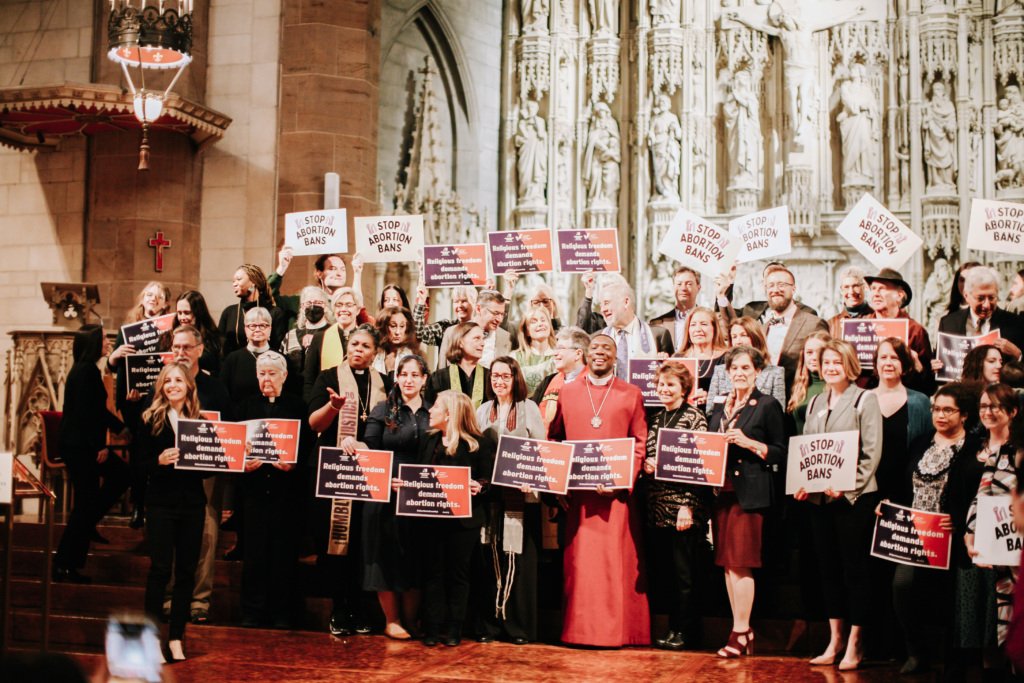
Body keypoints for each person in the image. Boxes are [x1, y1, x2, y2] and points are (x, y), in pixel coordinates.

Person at [547, 333, 649, 647]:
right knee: (580, 568)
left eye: (607, 347)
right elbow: (554, 440)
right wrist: (558, 483)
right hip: (579, 499)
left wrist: (622, 480)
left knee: (614, 567)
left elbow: (640, 445)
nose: (601, 352)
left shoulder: (631, 393)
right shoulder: (567, 391)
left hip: (615, 499)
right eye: (595, 348)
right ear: (586, 354)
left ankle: (618, 632)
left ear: (616, 355)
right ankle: (579, 631)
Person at [884, 383, 983, 674]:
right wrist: (890, 505)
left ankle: (954, 661)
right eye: (936, 409)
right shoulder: (921, 441)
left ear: (963, 414)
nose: (940, 415)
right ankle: (916, 651)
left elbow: (978, 493)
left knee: (952, 599)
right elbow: (903, 483)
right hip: (915, 533)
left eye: (948, 410)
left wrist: (961, 517)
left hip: (952, 537)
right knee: (901, 587)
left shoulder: (973, 448)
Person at [798, 339, 883, 671]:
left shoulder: (865, 399)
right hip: (819, 501)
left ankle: (856, 642)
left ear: (849, 365)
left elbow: (871, 454)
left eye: (837, 362)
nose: (831, 367)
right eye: (826, 362)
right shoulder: (816, 399)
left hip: (853, 501)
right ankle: (834, 640)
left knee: (854, 572)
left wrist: (847, 487)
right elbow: (809, 448)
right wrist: (803, 482)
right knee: (828, 570)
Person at [308, 325, 391, 637]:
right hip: (335, 474)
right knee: (335, 543)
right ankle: (339, 608)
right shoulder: (329, 377)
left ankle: (359, 608)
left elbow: (391, 426)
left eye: (366, 346)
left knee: (362, 543)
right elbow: (314, 423)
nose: (359, 349)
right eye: (354, 344)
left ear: (374, 353)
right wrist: (334, 407)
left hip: (368, 473)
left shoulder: (384, 383)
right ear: (347, 347)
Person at [707, 346, 787, 658]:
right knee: (728, 565)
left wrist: (749, 443)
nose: (739, 373)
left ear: (757, 371)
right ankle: (742, 629)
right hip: (721, 492)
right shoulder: (719, 405)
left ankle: (740, 632)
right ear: (727, 373)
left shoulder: (767, 405)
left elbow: (780, 451)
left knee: (741, 563)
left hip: (750, 495)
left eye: (745, 368)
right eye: (734, 369)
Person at [411, 390, 496, 647]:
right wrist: (405, 485)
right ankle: (433, 628)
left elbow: (489, 481)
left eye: (436, 406)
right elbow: (420, 474)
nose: (430, 410)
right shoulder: (429, 441)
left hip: (463, 522)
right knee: (433, 572)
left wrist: (478, 486)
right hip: (431, 520)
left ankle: (455, 628)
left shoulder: (478, 444)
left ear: (449, 413)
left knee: (459, 575)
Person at [356, 354, 432, 640]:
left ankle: (412, 620)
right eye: (404, 374)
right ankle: (392, 620)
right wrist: (354, 443)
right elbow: (371, 446)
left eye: (415, 375)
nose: (409, 380)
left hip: (418, 495)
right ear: (396, 377)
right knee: (384, 556)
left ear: (424, 379)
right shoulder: (382, 409)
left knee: (415, 556)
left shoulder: (432, 411)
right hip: (385, 491)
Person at [137, 363, 207, 662]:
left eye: (179, 380)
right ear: (161, 387)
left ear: (189, 386)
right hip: (161, 504)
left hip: (192, 504)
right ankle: (151, 639)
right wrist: (158, 461)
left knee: (186, 573)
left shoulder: (201, 420)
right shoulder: (149, 418)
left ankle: (177, 637)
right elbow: (137, 466)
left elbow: (208, 468)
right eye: (168, 381)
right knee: (160, 571)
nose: (173, 385)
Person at [475, 356, 546, 645]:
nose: (499, 381)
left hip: (520, 496)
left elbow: (541, 449)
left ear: (515, 378)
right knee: (489, 558)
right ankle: (489, 625)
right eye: (495, 376)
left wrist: (533, 478)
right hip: (490, 497)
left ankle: (518, 627)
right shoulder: (482, 410)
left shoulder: (528, 408)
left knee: (517, 558)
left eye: (505, 375)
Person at [237, 351, 310, 628]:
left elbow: (305, 448)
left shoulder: (297, 407)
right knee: (254, 554)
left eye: (272, 373)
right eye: (262, 373)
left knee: (283, 554)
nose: (266, 379)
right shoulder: (244, 407)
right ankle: (252, 612)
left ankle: (283, 612)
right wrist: (243, 463)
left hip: (286, 493)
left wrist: (293, 465)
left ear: (284, 376)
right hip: (254, 492)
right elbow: (234, 447)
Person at [164, 325, 232, 626]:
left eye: (186, 348)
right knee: (171, 538)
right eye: (176, 348)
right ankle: (169, 598)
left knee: (206, 536)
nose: (181, 353)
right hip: (169, 475)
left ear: (200, 350)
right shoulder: (164, 384)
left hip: (205, 476)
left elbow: (229, 433)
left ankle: (199, 601)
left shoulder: (214, 388)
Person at [641, 362, 711, 651]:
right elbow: (647, 453)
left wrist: (688, 506)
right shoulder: (656, 418)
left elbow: (699, 466)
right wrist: (645, 463)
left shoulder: (695, 418)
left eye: (670, 384)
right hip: (656, 509)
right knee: (667, 575)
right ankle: (673, 629)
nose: (664, 389)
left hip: (683, 509)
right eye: (660, 384)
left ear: (684, 388)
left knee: (686, 576)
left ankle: (687, 632)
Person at [53, 325, 130, 583]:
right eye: (104, 339)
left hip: (78, 443)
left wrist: (122, 427)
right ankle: (64, 564)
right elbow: (86, 416)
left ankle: (87, 525)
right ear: (93, 344)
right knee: (91, 499)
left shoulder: (86, 370)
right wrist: (99, 446)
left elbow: (95, 410)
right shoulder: (85, 372)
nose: (108, 343)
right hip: (80, 445)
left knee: (111, 483)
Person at [108, 281, 172, 529]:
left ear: (166, 303)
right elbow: (112, 365)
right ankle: (138, 506)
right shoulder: (129, 329)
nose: (153, 298)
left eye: (158, 296)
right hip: (133, 400)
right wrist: (115, 354)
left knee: (161, 448)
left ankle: (157, 503)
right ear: (142, 298)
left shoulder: (169, 329)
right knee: (139, 453)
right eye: (149, 294)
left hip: (161, 398)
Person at [964, 383, 1021, 652]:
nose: (988, 411)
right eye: (984, 406)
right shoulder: (992, 453)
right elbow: (980, 498)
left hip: (1017, 550)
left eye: (995, 406)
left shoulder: (1019, 450)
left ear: (1013, 412)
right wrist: (970, 533)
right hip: (997, 554)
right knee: (1006, 622)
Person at [721, 264, 828, 387]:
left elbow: (824, 364)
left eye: (781, 285)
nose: (775, 290)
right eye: (770, 285)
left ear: (793, 288)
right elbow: (731, 326)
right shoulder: (762, 328)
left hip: (799, 397)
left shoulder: (814, 324)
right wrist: (722, 295)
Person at [870, 338, 934, 501]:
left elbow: (927, 451)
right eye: (883, 357)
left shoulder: (920, 402)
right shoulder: (862, 400)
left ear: (904, 365)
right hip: (867, 490)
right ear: (876, 364)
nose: (888, 363)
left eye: (895, 358)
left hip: (905, 492)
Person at [864, 268, 935, 394]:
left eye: (882, 288)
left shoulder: (915, 331)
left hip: (905, 401)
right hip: (868, 401)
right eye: (873, 289)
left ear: (899, 295)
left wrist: (918, 367)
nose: (875, 293)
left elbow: (929, 385)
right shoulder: (860, 326)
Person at [938, 266, 1024, 358]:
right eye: (980, 298)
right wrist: (934, 365)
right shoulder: (948, 324)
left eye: (991, 298)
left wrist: (1018, 355)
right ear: (966, 296)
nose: (986, 305)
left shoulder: (1016, 324)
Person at [598, 279, 674, 378]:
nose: (602, 309)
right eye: (601, 305)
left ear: (626, 302)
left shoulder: (658, 335)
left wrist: (665, 364)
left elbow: (672, 375)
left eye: (606, 303)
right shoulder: (598, 338)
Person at [707, 316, 786, 410]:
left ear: (756, 337)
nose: (738, 341)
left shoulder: (775, 373)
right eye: (734, 337)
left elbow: (778, 413)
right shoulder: (720, 371)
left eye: (743, 335)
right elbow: (710, 411)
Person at [303, 287, 364, 402]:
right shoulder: (320, 338)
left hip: (358, 402)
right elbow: (309, 380)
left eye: (349, 305)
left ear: (358, 309)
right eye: (339, 305)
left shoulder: (365, 339)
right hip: (326, 403)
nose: (343, 309)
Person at [218, 264, 287, 356]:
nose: (234, 284)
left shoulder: (274, 312)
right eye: (233, 281)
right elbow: (220, 348)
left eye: (239, 279)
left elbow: (277, 348)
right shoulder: (229, 312)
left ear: (253, 282)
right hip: (235, 366)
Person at [438, 290, 511, 370]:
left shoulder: (505, 337)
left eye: (502, 314)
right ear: (479, 309)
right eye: (495, 313)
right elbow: (441, 371)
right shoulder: (452, 333)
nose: (499, 319)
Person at [426, 322, 493, 409]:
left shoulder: (490, 377)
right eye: (477, 338)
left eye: (483, 339)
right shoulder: (439, 378)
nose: (483, 343)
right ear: (460, 342)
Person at [532, 326, 590, 425]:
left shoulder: (596, 384)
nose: (555, 353)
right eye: (555, 349)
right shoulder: (548, 382)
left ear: (578, 354)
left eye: (561, 348)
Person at [675, 307, 729, 408]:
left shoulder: (727, 358)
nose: (698, 329)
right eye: (693, 325)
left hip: (714, 417)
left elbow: (732, 395)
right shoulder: (677, 358)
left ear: (714, 328)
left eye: (704, 324)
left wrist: (710, 399)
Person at [220, 307, 274, 405]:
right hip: (239, 417)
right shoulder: (232, 359)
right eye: (252, 326)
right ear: (245, 329)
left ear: (270, 328)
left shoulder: (280, 359)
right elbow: (223, 395)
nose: (257, 329)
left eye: (262, 325)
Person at [281, 286, 331, 389]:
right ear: (302, 307)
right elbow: (282, 366)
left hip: (324, 391)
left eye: (317, 302)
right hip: (295, 392)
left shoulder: (333, 334)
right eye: (308, 303)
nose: (313, 306)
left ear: (325, 306)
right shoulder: (291, 336)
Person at [787, 331, 831, 434]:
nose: (814, 357)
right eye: (809, 352)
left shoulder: (837, 386)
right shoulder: (798, 386)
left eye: (820, 352)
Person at [168, 290, 221, 375]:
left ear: (199, 312)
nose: (182, 317)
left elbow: (221, 370)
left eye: (187, 313)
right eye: (179, 313)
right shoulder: (168, 337)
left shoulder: (214, 338)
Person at [649, 266, 702, 351]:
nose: (683, 288)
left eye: (689, 284)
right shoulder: (657, 324)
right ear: (673, 287)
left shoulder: (709, 321)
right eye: (679, 284)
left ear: (698, 288)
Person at [413, 283, 477, 350]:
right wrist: (421, 301)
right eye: (456, 301)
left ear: (474, 302)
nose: (459, 305)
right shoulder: (445, 327)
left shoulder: (481, 328)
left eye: (464, 301)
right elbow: (418, 334)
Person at [512, 305, 557, 395]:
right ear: (527, 331)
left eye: (543, 320)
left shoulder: (559, 355)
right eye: (534, 321)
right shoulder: (515, 358)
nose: (540, 324)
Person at [372, 306, 422, 376]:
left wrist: (391, 370)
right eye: (393, 326)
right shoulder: (375, 354)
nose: (397, 332)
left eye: (402, 326)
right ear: (383, 327)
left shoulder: (412, 356)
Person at [827, 266, 872, 339]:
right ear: (841, 290)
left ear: (864, 287)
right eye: (846, 287)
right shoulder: (832, 324)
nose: (851, 292)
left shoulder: (876, 318)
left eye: (855, 286)